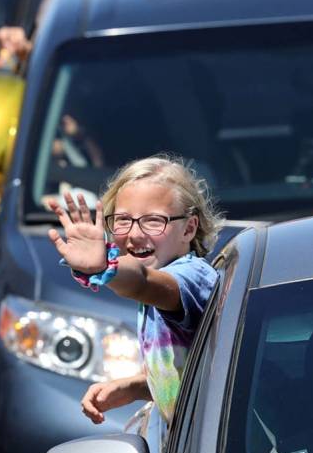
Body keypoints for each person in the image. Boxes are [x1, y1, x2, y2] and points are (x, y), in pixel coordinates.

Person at [47, 153, 222, 424]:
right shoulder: (161, 278)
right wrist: (136, 388)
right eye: (123, 220)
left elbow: (141, 282)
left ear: (189, 228)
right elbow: (190, 376)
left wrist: (103, 267)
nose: (134, 234)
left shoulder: (191, 276)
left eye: (154, 220)